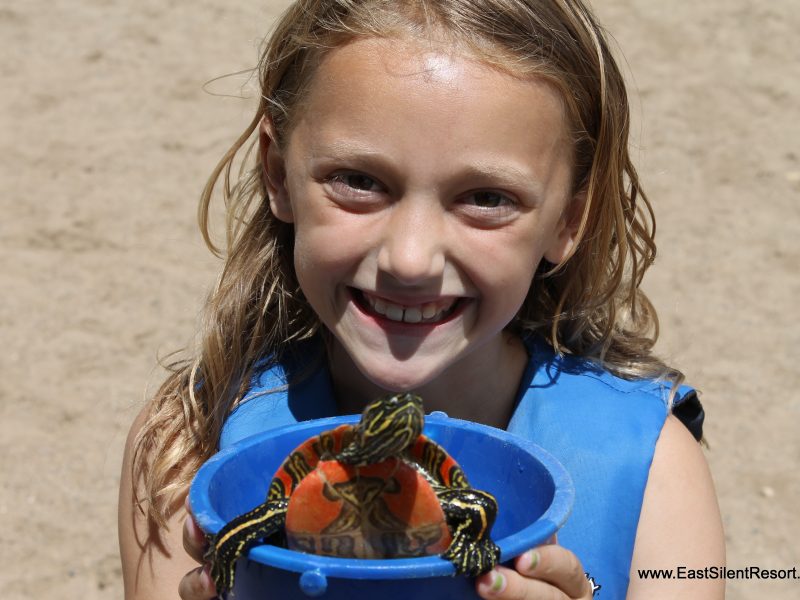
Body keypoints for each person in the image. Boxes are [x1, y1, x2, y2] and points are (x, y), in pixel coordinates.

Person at [118, 1, 725, 598]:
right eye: (359, 181)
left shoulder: (645, 467)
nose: (409, 258)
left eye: (486, 197)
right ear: (278, 174)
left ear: (568, 220)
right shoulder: (192, 447)